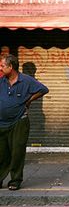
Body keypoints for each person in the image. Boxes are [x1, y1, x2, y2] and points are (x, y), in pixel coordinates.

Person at [0, 54, 49, 190]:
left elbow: (43, 89)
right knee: (2, 153)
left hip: (19, 122)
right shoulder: (1, 81)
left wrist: (29, 100)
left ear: (11, 67)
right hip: (2, 122)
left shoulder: (27, 80)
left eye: (3, 65)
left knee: (17, 152)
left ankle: (15, 180)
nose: (1, 68)